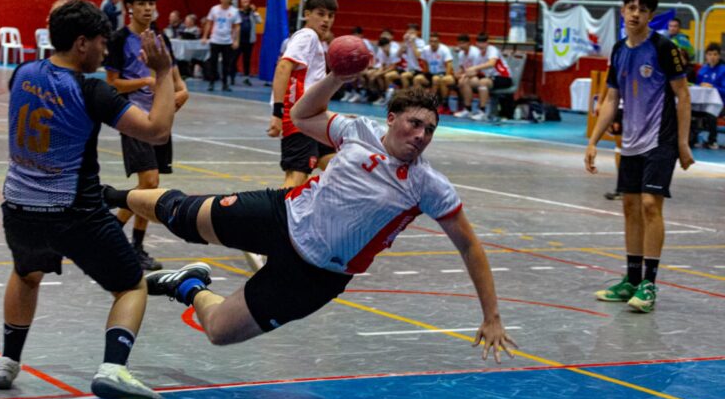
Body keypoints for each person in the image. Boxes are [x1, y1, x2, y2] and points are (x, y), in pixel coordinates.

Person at [102, 74, 517, 363]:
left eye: (430, 130)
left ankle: (187, 285)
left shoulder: (429, 184)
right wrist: (336, 75)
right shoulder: (358, 131)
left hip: (317, 275)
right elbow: (301, 116)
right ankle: (107, 195)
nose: (422, 136)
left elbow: (469, 245)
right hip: (281, 215)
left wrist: (491, 316)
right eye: (415, 124)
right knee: (179, 214)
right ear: (392, 119)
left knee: (219, 331)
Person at [0, 0, 176, 399]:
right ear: (83, 43)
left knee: (26, 274)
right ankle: (113, 368)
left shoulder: (23, 72)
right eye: (102, 43)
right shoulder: (91, 90)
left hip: (18, 207)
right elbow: (157, 131)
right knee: (130, 285)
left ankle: (7, 361)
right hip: (74, 211)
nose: (106, 52)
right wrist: (161, 72)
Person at [585, 0, 694, 313]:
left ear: (650, 15)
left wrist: (683, 143)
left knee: (650, 205)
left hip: (661, 139)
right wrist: (593, 142)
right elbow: (611, 98)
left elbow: (683, 95)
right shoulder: (618, 50)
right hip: (630, 141)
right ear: (622, 11)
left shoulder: (664, 48)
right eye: (630, 8)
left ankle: (649, 284)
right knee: (630, 207)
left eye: (642, 10)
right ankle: (631, 280)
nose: (635, 14)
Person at [104, 0, 190, 271]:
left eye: (151, 4)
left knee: (149, 188)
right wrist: (146, 81)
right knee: (149, 183)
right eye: (141, 4)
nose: (147, 9)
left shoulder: (161, 38)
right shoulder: (118, 40)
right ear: (129, 7)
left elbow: (178, 83)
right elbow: (112, 83)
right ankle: (115, 234)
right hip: (135, 118)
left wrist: (180, 94)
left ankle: (133, 245)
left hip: (160, 120)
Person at [266, 0, 338, 189]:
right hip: (299, 116)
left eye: (330, 16)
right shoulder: (307, 36)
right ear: (307, 14)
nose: (326, 20)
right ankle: (273, 217)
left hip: (314, 117)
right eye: (321, 14)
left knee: (337, 167)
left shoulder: (316, 41)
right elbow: (283, 68)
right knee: (296, 178)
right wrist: (278, 113)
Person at [459, 32, 512, 121]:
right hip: (489, 78)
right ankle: (468, 109)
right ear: (476, 44)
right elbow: (475, 71)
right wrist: (465, 75)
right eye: (479, 43)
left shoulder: (492, 50)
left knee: (483, 82)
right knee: (466, 81)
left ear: (487, 43)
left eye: (483, 43)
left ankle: (483, 112)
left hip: (503, 77)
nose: (481, 45)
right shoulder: (478, 54)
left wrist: (475, 67)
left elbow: (491, 63)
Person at [202, 0, 240, 92]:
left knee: (226, 63)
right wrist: (205, 36)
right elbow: (209, 23)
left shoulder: (234, 11)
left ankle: (225, 83)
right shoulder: (214, 9)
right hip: (215, 40)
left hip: (227, 41)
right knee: (213, 62)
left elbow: (237, 27)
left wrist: (236, 40)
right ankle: (211, 82)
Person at [412, 32, 455, 114]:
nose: (433, 43)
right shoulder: (425, 49)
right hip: (430, 74)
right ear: (429, 42)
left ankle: (432, 103)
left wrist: (446, 76)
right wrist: (425, 74)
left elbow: (449, 64)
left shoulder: (444, 49)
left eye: (435, 41)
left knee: (435, 79)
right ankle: (419, 101)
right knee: (417, 79)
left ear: (439, 42)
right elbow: (424, 63)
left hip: (441, 73)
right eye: (431, 41)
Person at [695, 42, 725, 149]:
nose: (712, 57)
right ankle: (693, 138)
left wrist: (712, 87)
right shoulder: (702, 70)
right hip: (703, 102)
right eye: (710, 54)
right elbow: (697, 87)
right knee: (688, 109)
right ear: (706, 56)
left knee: (710, 111)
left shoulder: (723, 70)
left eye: (715, 54)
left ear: (719, 56)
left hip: (721, 104)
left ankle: (713, 140)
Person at [232, 0, 263, 86]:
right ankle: (231, 76)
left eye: (247, 2)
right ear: (241, 3)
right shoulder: (237, 12)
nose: (245, 4)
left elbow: (259, 21)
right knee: (234, 58)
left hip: (249, 40)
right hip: (238, 40)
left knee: (247, 59)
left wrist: (254, 12)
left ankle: (246, 78)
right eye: (243, 2)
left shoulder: (252, 14)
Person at [452, 34, 482, 118]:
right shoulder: (461, 53)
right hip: (468, 75)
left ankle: (468, 109)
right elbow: (462, 68)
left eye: (463, 43)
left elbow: (476, 70)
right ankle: (466, 108)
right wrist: (458, 73)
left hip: (479, 76)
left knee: (464, 82)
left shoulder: (475, 52)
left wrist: (463, 75)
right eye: (459, 43)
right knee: (460, 81)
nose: (461, 45)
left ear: (468, 43)